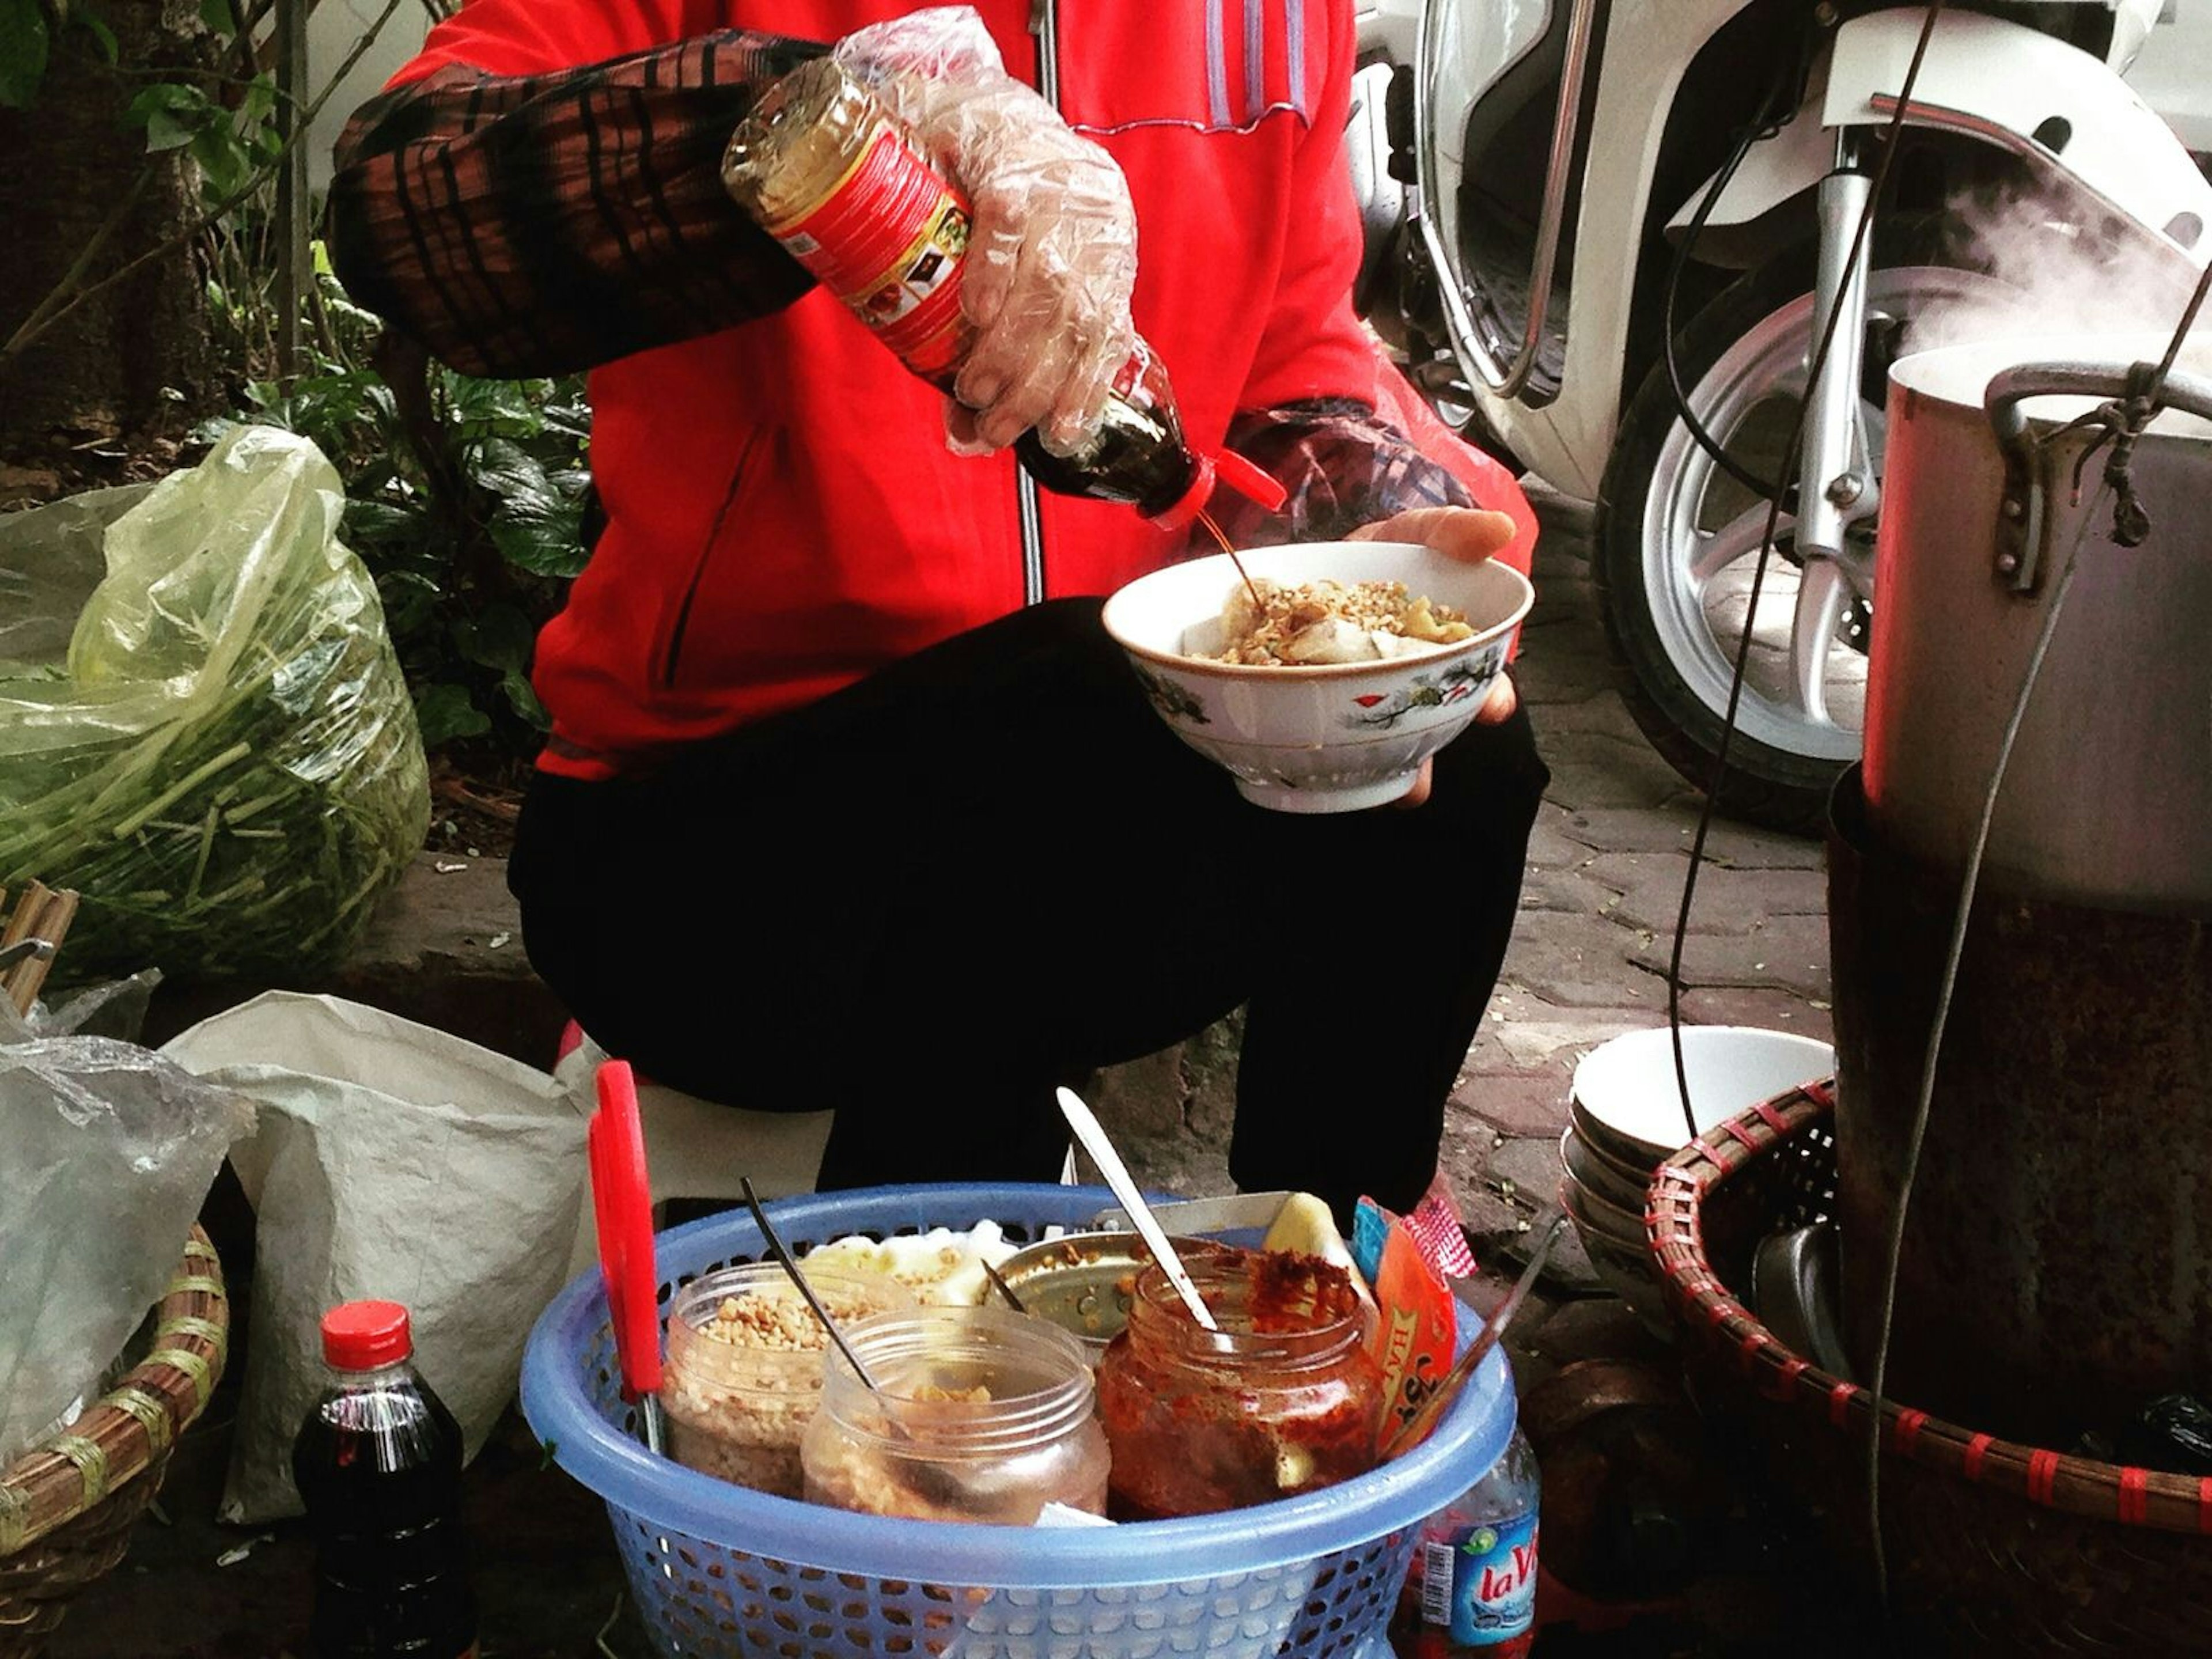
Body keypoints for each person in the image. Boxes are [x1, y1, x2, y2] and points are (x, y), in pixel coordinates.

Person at [325, 0, 1550, 1226]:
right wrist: (833, 121)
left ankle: (1332, 1299)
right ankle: (929, 1375)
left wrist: (1369, 533)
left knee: (1452, 735)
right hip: (702, 851)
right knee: (1070, 727)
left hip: (1062, 843)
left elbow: (1294, 355)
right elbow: (400, 213)